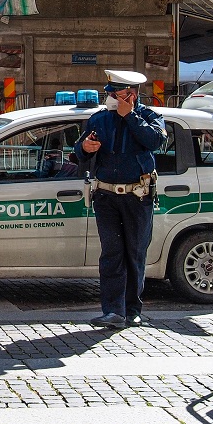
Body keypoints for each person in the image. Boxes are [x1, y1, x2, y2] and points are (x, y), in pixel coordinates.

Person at [74, 70, 166, 329]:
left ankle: (132, 310)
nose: (111, 98)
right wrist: (84, 148)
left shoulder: (149, 117)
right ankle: (113, 311)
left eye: (117, 94)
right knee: (112, 254)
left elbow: (156, 141)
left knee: (135, 253)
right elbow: (78, 152)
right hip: (106, 196)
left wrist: (131, 117)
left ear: (132, 95)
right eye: (110, 94)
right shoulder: (100, 119)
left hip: (138, 196)